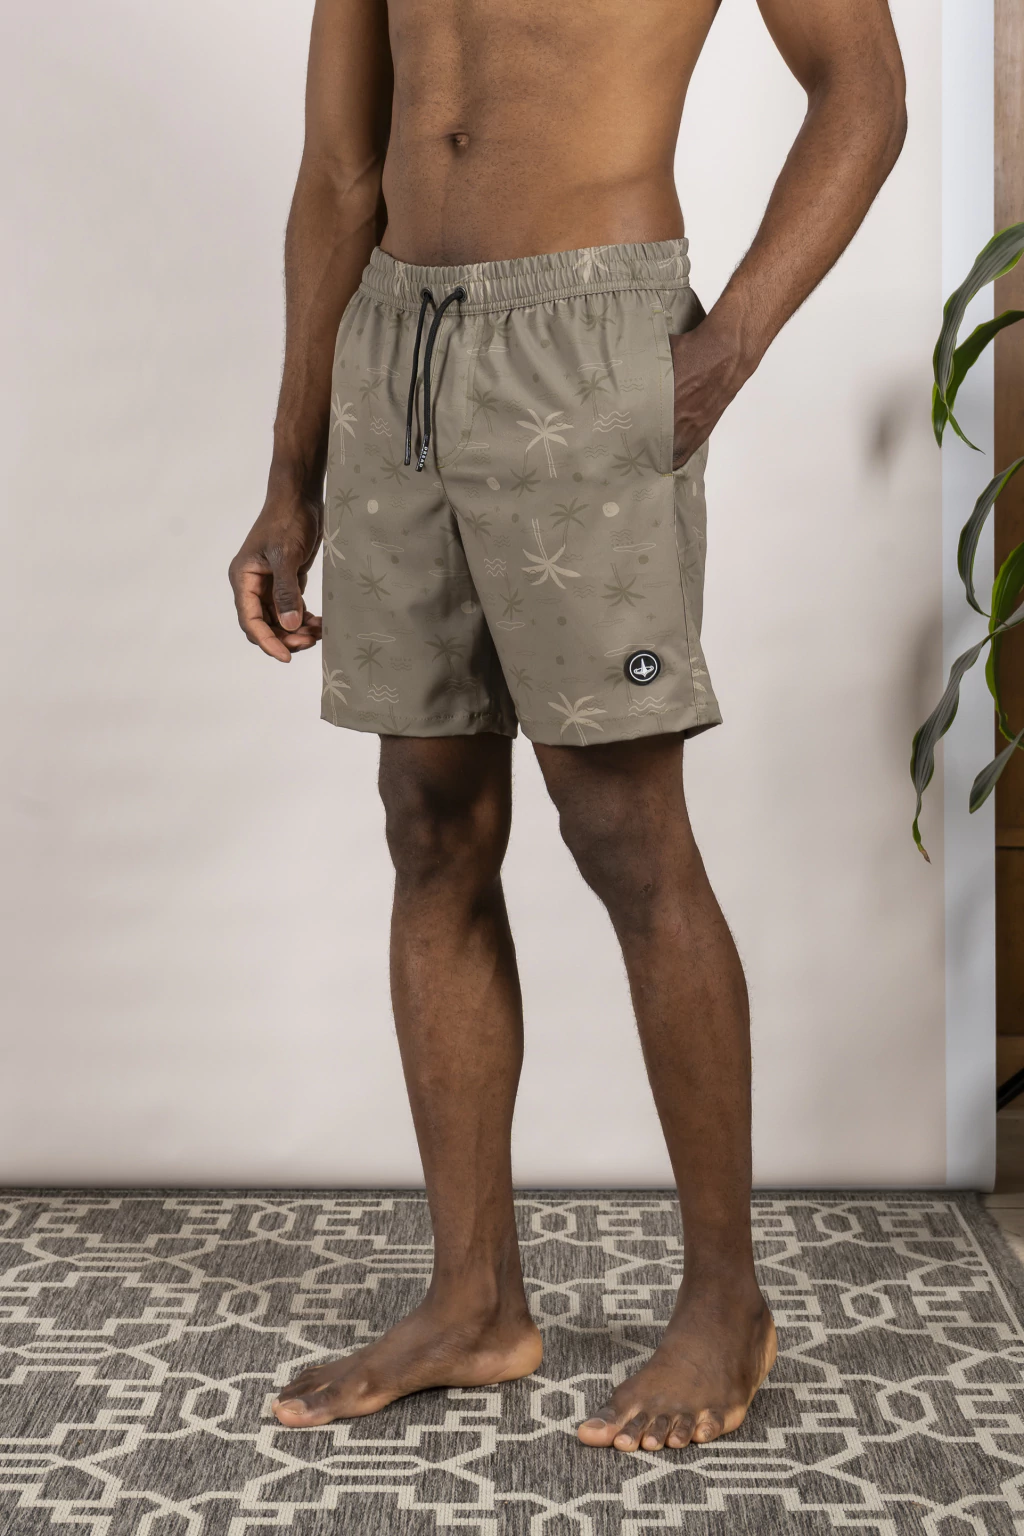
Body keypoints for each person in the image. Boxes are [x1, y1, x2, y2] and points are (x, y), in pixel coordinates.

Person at [228, 0, 906, 1454]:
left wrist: (729, 343)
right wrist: (292, 473)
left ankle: (725, 1302)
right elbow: (340, 171)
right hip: (393, 345)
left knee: (623, 830)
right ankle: (474, 1301)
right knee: (430, 824)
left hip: (590, 335)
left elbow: (862, 88)